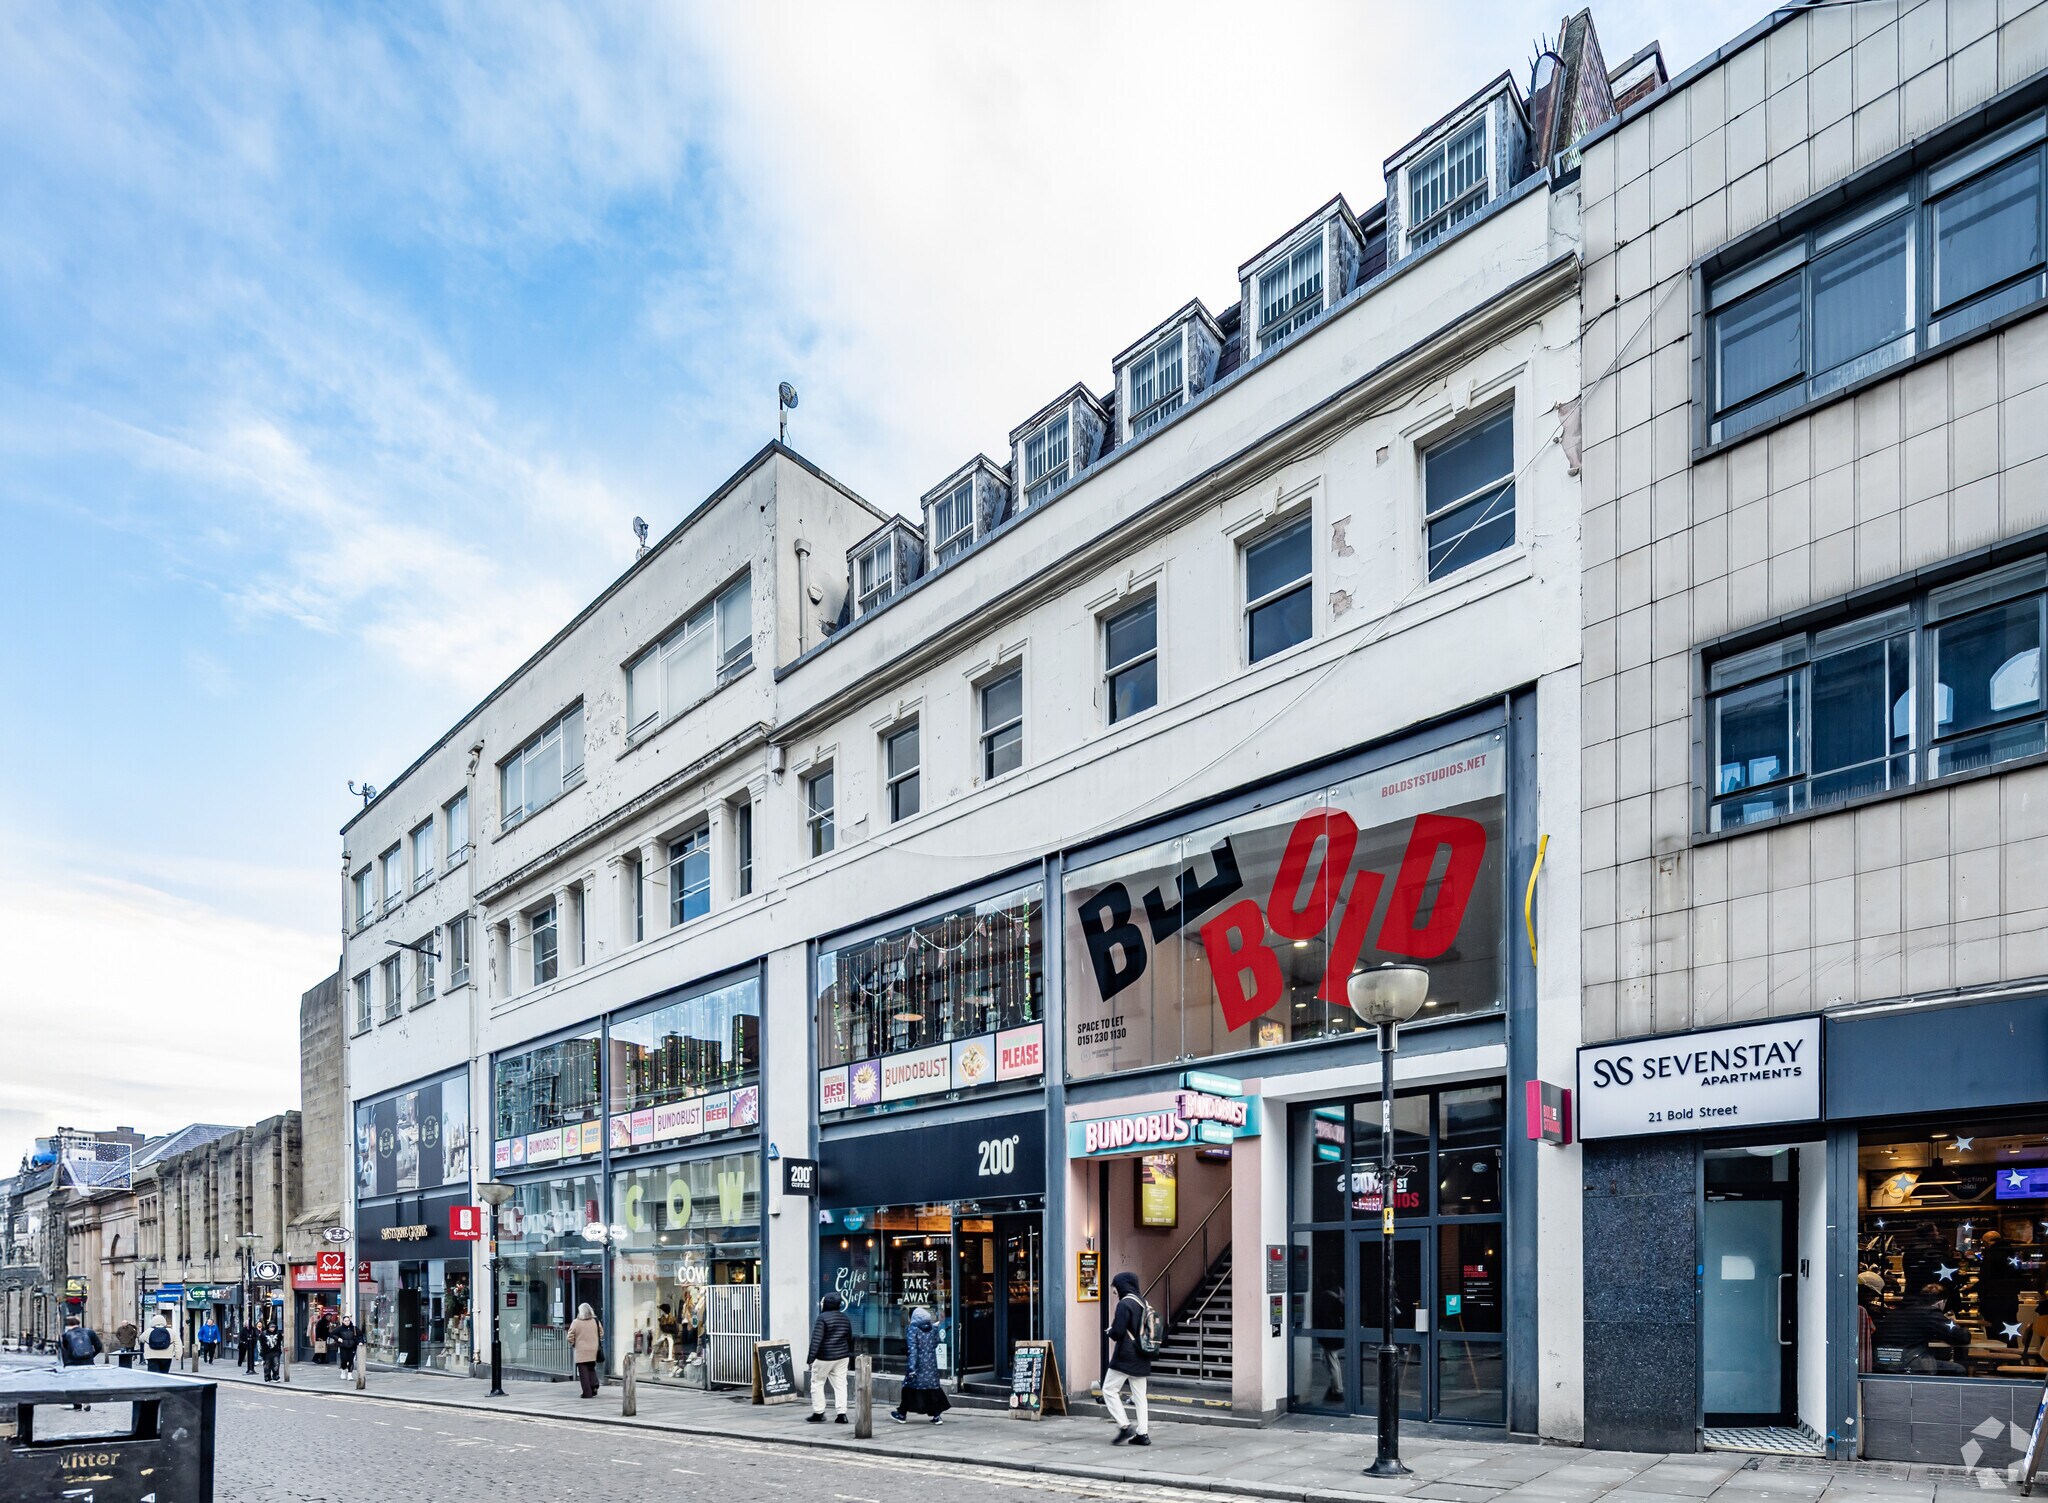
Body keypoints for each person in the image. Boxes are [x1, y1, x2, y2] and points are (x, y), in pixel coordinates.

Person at [1101, 1270, 1153, 1447]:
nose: (1114, 1291)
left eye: (1115, 1287)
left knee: (1108, 1389)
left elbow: (1118, 1332)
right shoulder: (1143, 1303)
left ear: (1122, 1285)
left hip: (1126, 1355)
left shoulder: (1124, 1304)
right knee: (1140, 1396)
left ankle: (1124, 1426)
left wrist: (1111, 1331)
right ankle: (1143, 1434)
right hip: (1142, 1353)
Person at [1873, 1284, 1969, 1374]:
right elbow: (1961, 1336)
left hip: (1882, 1362)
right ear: (1941, 1303)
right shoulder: (1930, 1313)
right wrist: (1958, 1327)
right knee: (1958, 1369)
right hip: (1909, 1365)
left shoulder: (1899, 1310)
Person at [891, 1307, 949, 1425]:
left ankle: (902, 1414)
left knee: (908, 1389)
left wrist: (912, 1368)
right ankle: (937, 1416)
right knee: (932, 1389)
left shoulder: (913, 1329)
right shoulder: (932, 1329)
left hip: (918, 1365)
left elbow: (913, 1350)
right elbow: (936, 1342)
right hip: (931, 1365)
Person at [805, 1292, 854, 1424]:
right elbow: (849, 1338)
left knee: (817, 1382)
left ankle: (819, 1412)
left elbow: (816, 1340)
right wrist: (849, 1354)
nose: (821, 1303)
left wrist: (810, 1358)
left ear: (826, 1303)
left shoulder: (822, 1318)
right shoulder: (845, 1318)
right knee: (841, 1385)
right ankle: (842, 1414)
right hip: (842, 1356)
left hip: (824, 1356)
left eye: (822, 1301)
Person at [59, 1314, 104, 1410]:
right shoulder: (89, 1332)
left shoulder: (65, 1335)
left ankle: (77, 1404)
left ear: (67, 1325)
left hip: (72, 1364)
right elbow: (99, 1346)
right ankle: (86, 1402)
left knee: (75, 1384)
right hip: (87, 1363)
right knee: (86, 1382)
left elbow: (64, 1352)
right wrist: (91, 1356)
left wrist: (66, 1364)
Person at [569, 1302, 602, 1399]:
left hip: (581, 1350)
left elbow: (570, 1336)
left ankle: (587, 1393)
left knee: (583, 1373)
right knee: (591, 1368)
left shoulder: (576, 1322)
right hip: (593, 1349)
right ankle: (594, 1384)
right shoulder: (595, 1321)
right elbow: (601, 1333)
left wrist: (574, 1343)